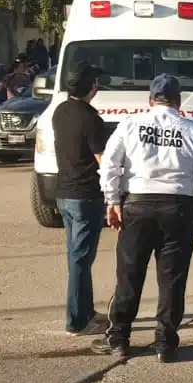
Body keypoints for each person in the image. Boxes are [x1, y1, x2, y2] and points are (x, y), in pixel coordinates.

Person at [93, 73, 193, 363]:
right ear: (178, 102)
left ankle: (118, 339)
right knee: (172, 280)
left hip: (137, 208)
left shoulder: (130, 124)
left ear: (150, 100)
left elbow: (109, 165)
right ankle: (165, 344)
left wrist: (112, 200)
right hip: (178, 211)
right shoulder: (192, 130)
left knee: (129, 276)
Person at [52, 62, 109, 335]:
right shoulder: (91, 119)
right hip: (86, 196)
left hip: (64, 194)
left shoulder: (60, 112)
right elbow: (102, 160)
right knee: (81, 259)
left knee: (77, 258)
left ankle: (85, 311)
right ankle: (76, 321)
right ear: (93, 88)